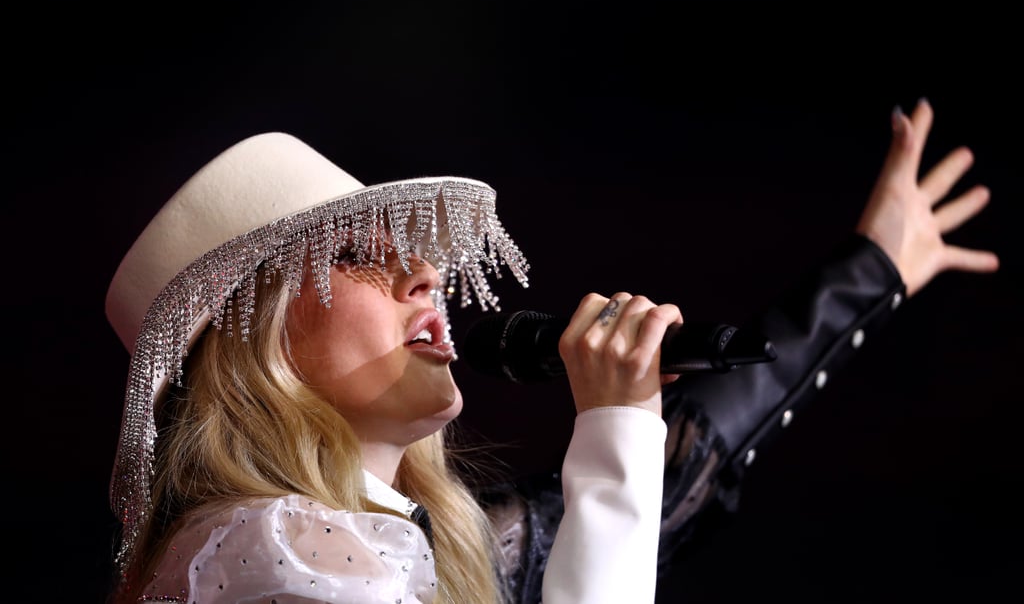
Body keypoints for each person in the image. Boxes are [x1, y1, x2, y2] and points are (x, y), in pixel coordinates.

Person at [102, 98, 997, 603]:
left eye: (418, 256)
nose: (427, 274)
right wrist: (611, 432)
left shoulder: (389, 549)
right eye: (355, 256)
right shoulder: (271, 548)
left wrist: (870, 270)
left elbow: (679, 465)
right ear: (255, 344)